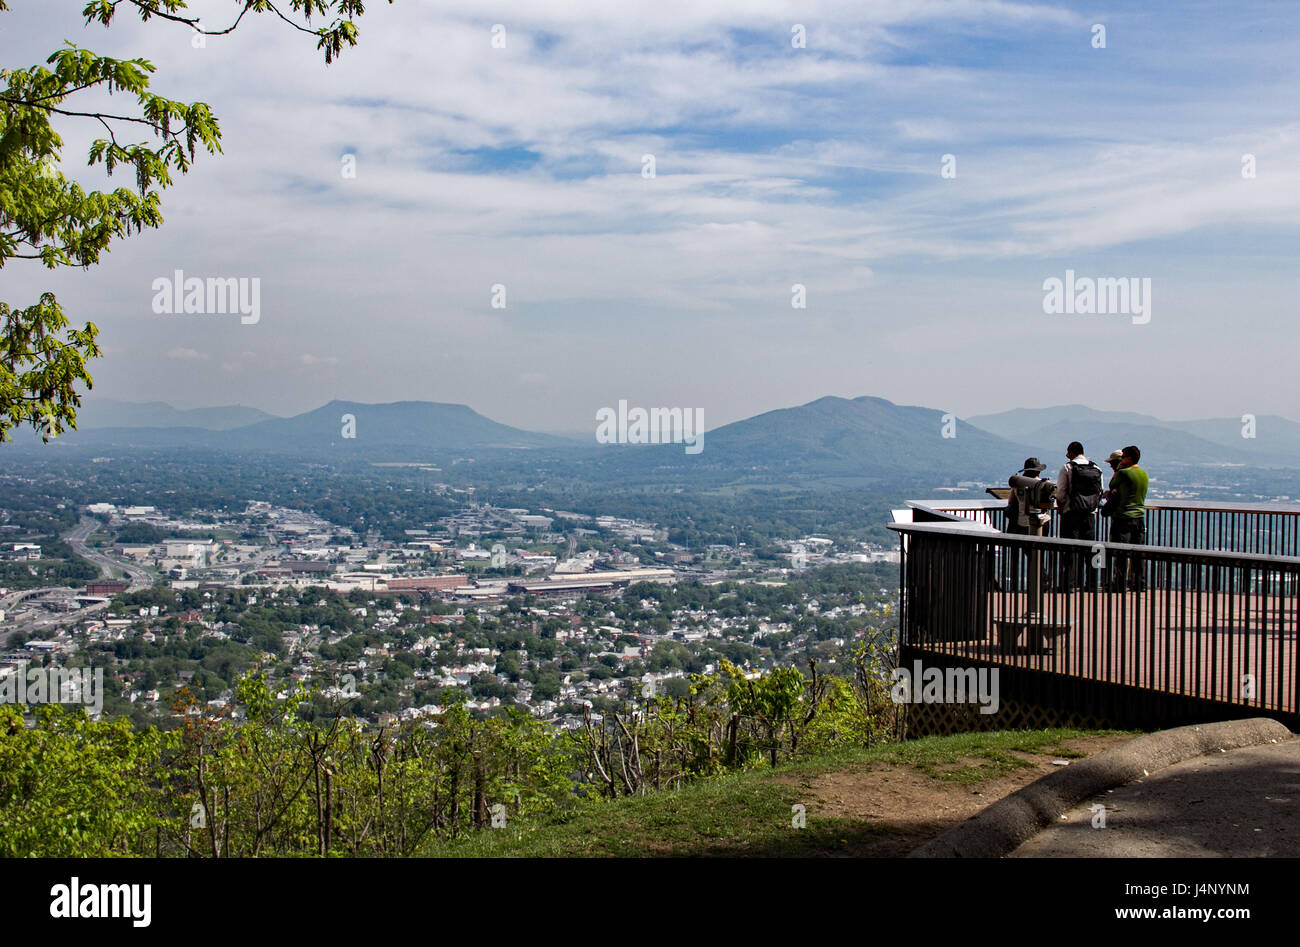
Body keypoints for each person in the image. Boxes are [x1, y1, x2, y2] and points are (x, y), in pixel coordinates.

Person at [1055, 442, 1103, 589]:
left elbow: (1061, 492)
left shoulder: (1067, 468)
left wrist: (1061, 507)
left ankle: (1068, 584)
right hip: (1090, 515)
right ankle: (1092, 584)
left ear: (1070, 453)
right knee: (1092, 550)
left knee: (1069, 550)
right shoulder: (1096, 469)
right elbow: (1100, 491)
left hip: (1071, 514)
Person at [1109, 445, 1149, 590]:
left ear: (1129, 458)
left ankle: (1119, 583)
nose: (1122, 459)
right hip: (1140, 516)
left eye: (1124, 456)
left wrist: (1119, 468)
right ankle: (1139, 583)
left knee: (1121, 552)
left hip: (1123, 517)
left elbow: (1112, 484)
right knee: (1138, 553)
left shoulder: (1123, 473)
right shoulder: (1144, 473)